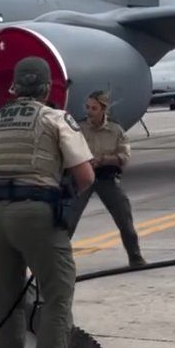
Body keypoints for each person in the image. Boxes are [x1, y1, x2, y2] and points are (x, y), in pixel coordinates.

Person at [0, 57, 95, 348]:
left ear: (14, 87)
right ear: (47, 88)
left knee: (6, 296)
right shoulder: (54, 118)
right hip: (34, 213)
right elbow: (85, 177)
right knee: (57, 294)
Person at [68, 90, 147, 267]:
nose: (89, 111)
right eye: (87, 107)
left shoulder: (115, 130)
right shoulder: (78, 129)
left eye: (94, 108)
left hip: (106, 178)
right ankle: (59, 262)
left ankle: (135, 257)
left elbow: (124, 157)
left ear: (103, 109)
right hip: (82, 178)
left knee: (124, 219)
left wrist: (104, 160)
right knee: (68, 222)